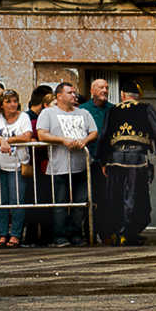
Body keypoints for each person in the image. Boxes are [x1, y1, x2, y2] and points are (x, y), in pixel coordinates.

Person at [35, 83, 97, 247]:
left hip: (82, 165)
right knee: (60, 203)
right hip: (59, 165)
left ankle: (76, 234)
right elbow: (41, 134)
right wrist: (62, 140)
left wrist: (84, 141)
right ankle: (60, 236)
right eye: (70, 92)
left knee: (79, 203)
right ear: (59, 96)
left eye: (75, 92)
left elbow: (94, 131)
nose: (74, 95)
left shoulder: (83, 112)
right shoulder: (48, 113)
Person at [102, 82, 156, 245]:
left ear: (122, 95)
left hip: (115, 158)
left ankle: (118, 232)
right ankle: (129, 233)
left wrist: (103, 160)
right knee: (135, 195)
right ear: (138, 96)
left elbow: (105, 135)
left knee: (116, 195)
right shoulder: (145, 108)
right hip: (137, 158)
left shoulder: (112, 110)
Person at [0, 90, 34, 247]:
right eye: (8, 101)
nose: (13, 104)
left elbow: (27, 136)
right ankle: (3, 234)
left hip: (17, 164)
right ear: (1, 104)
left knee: (17, 200)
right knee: (1, 201)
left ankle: (15, 234)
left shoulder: (23, 117)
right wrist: (1, 141)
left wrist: (5, 140)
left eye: (15, 101)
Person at [80, 78, 113, 241]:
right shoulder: (83, 110)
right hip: (88, 160)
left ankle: (105, 232)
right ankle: (87, 233)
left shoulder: (113, 109)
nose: (105, 90)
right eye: (101, 87)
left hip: (106, 161)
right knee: (86, 198)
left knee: (105, 198)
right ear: (92, 91)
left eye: (106, 87)